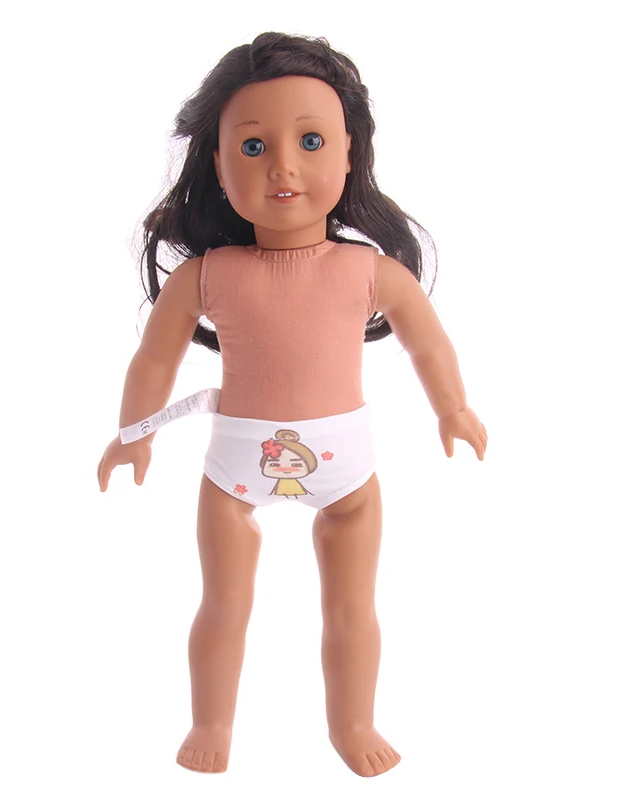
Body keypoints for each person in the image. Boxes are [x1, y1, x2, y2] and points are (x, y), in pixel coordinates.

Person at [97, 31, 488, 778]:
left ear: (349, 153)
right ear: (218, 163)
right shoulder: (206, 275)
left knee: (351, 609)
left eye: (310, 141)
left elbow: (428, 343)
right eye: (253, 147)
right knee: (223, 605)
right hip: (234, 470)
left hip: (348, 475)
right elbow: (155, 357)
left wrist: (454, 409)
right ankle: (210, 722)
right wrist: (135, 432)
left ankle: (353, 722)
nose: (283, 165)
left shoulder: (371, 271)